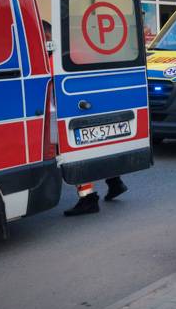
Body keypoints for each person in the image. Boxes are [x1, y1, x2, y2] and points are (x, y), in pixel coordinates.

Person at [40, 21, 130, 217]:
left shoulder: (52, 61)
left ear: (47, 38)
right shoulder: (79, 52)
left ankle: (88, 198)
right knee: (97, 148)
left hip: (69, 114)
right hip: (95, 106)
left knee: (70, 154)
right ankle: (114, 181)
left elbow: (50, 92)